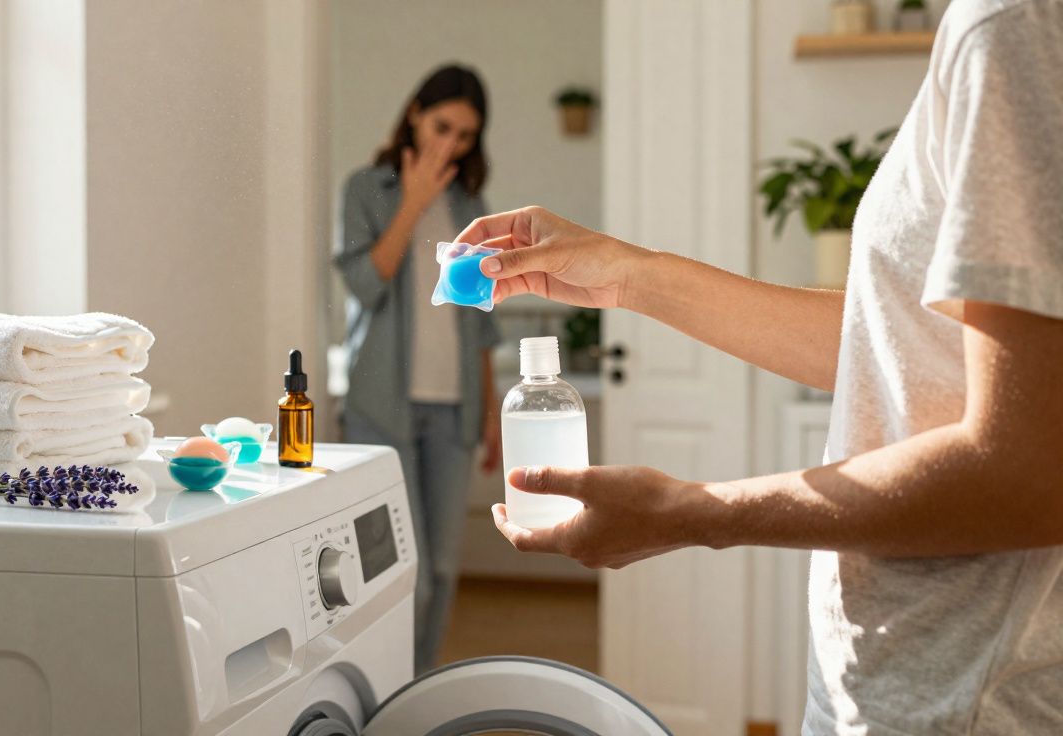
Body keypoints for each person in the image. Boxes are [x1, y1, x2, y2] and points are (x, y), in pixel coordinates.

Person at [456, 1, 1063, 733]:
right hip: (913, 682)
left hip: (960, 701)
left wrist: (692, 513)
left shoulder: (1013, 25)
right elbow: (896, 341)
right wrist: (625, 275)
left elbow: (1029, 471)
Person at [334, 64, 502, 673]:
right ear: (414, 114)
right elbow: (365, 284)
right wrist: (413, 204)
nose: (450, 144)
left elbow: (479, 319)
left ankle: (419, 694)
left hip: (453, 412)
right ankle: (385, 697)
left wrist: (492, 411)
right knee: (403, 576)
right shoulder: (365, 190)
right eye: (442, 126)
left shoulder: (470, 204)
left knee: (441, 571)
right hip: (382, 409)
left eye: (465, 135)